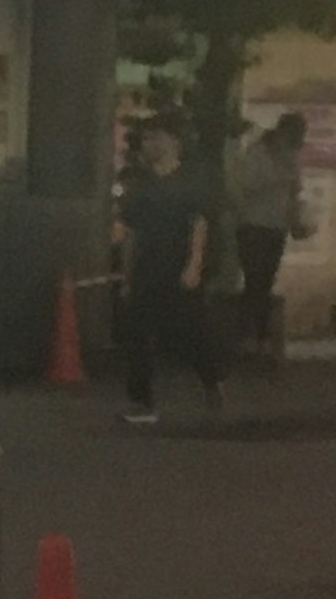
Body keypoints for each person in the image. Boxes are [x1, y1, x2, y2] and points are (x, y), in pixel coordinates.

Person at [116, 119, 221, 424]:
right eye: (146, 139)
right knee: (138, 335)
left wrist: (193, 265)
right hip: (146, 268)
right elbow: (130, 233)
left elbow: (199, 224)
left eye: (155, 138)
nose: (149, 144)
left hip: (178, 266)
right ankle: (142, 402)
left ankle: (211, 381)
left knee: (190, 331)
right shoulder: (140, 184)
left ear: (174, 142)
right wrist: (126, 276)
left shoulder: (190, 182)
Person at [227, 112, 304, 362]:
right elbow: (244, 186)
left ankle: (258, 338)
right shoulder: (257, 153)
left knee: (265, 281)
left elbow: (293, 193)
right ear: (281, 133)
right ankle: (249, 337)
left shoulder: (291, 156)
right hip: (253, 225)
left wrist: (295, 220)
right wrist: (276, 179)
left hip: (275, 226)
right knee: (254, 279)